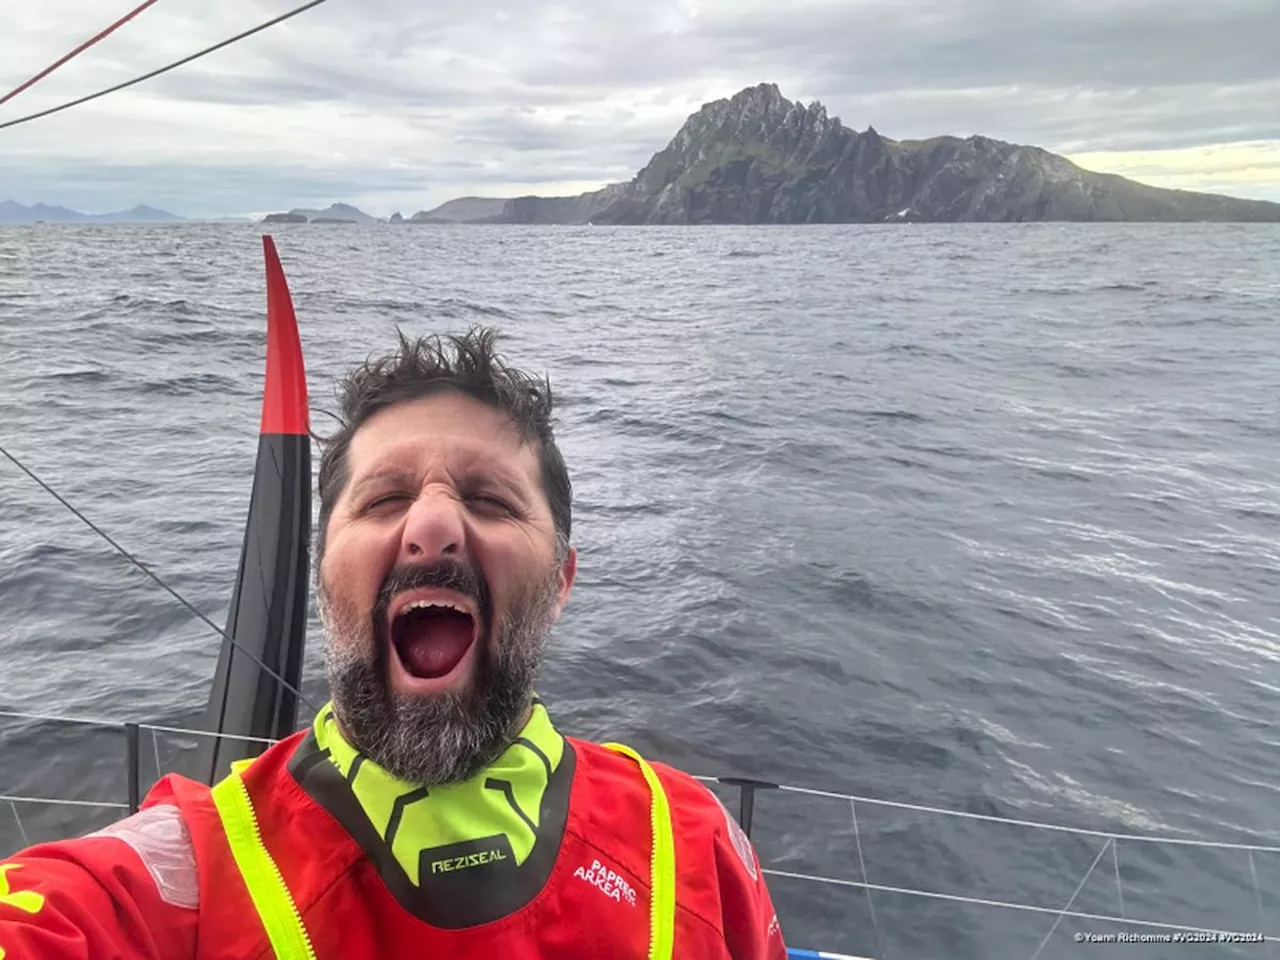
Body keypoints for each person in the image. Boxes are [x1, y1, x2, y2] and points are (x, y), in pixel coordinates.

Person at [0, 327, 789, 959]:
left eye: (489, 499)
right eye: (384, 499)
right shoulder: (192, 871)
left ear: (561, 580)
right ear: (322, 576)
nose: (434, 527)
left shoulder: (699, 848)